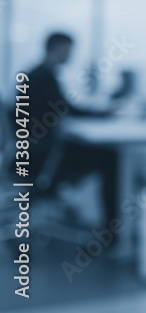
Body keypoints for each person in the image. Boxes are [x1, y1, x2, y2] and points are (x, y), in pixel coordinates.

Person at [17, 32, 119, 229]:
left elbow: (62, 108)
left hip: (32, 153)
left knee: (104, 154)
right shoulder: (43, 78)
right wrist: (104, 113)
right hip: (43, 157)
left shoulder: (35, 74)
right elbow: (67, 109)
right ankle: (113, 235)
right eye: (69, 50)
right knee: (110, 159)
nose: (71, 56)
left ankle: (112, 233)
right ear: (58, 49)